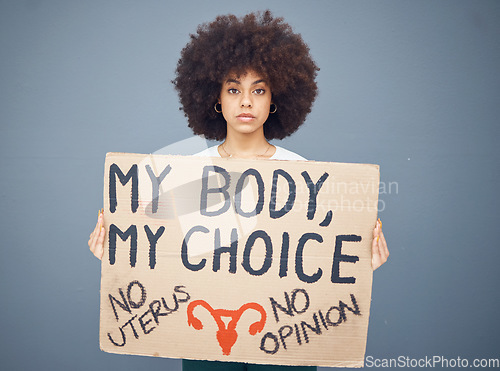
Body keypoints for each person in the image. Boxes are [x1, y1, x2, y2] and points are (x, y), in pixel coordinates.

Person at [88, 10, 389, 371]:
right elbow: (161, 246)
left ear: (274, 99)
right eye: (234, 89)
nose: (246, 101)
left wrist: (361, 263)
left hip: (282, 337)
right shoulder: (190, 171)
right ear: (215, 98)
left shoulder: (300, 174)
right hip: (206, 335)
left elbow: (318, 262)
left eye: (258, 90)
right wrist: (119, 250)